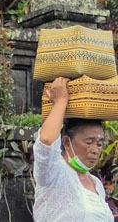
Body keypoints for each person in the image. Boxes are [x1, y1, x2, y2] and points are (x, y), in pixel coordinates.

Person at [34, 77, 110, 221]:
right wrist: (60, 101)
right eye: (89, 142)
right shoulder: (54, 173)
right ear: (67, 142)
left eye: (99, 144)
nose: (95, 150)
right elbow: (46, 141)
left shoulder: (96, 184)